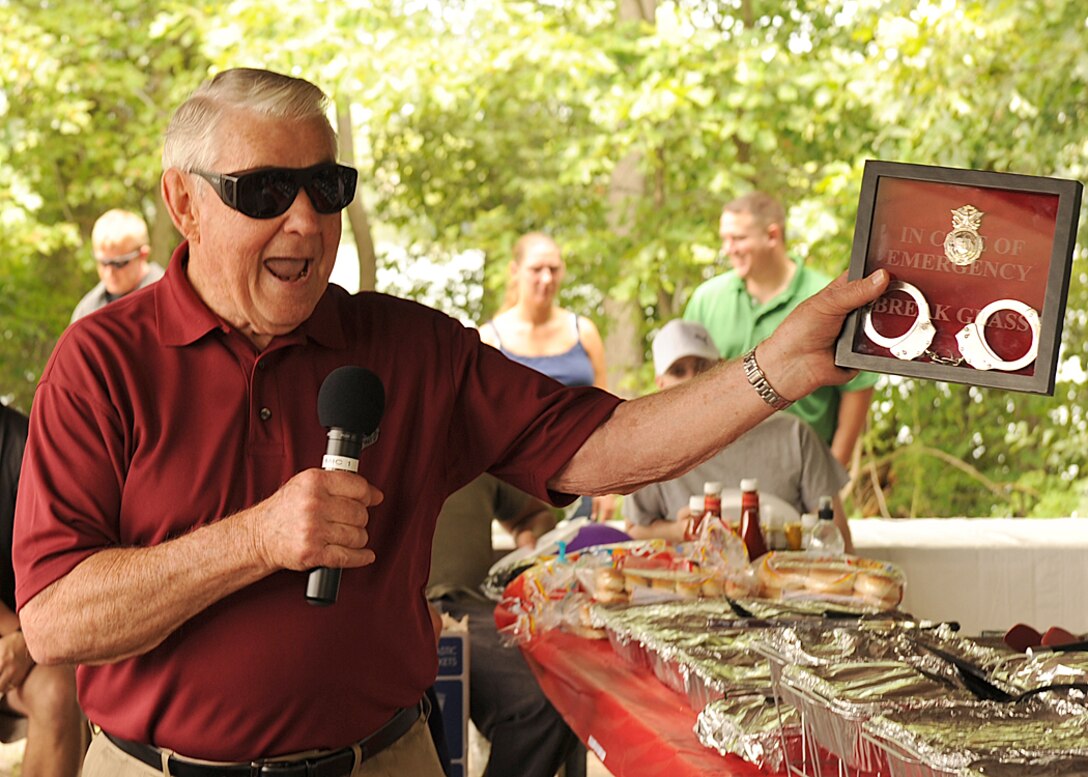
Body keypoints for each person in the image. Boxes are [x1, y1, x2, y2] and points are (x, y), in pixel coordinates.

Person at [12, 67, 887, 775]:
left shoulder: (408, 346)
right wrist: (260, 537)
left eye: (326, 185)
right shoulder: (103, 363)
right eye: (265, 190)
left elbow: (604, 445)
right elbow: (53, 619)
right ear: (184, 202)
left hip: (386, 760)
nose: (307, 219)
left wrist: (780, 367)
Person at [684, 192, 878, 467]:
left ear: (772, 236)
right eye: (724, 239)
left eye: (738, 239)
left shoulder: (824, 297)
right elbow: (684, 386)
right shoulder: (706, 299)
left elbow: (859, 387)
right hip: (719, 466)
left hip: (803, 469)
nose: (728, 249)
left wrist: (833, 471)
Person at [624, 320, 854, 552]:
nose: (692, 380)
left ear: (722, 369)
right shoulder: (651, 450)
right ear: (660, 384)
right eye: (678, 371)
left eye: (703, 366)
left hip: (785, 578)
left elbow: (837, 540)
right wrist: (679, 531)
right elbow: (635, 529)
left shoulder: (794, 435)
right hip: (693, 581)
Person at [428, 474, 580, 777]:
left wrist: (529, 535)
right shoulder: (367, 444)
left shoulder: (472, 450)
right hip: (389, 612)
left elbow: (536, 516)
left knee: (554, 694)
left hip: (468, 611)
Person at [479, 232, 613, 520]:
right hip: (521, 494)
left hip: (584, 481)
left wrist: (608, 487)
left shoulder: (584, 332)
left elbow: (606, 415)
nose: (546, 278)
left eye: (554, 269)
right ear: (515, 272)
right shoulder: (489, 339)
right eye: (536, 269)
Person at [0, 402, 86, 776]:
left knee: (58, 693)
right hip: (15, 631)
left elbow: (63, 557)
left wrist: (26, 640)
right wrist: (19, 636)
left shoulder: (27, 440)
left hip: (26, 628)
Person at [70, 209, 165, 322]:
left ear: (143, 255)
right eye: (103, 263)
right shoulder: (87, 310)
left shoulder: (167, 299)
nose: (109, 273)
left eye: (119, 263)